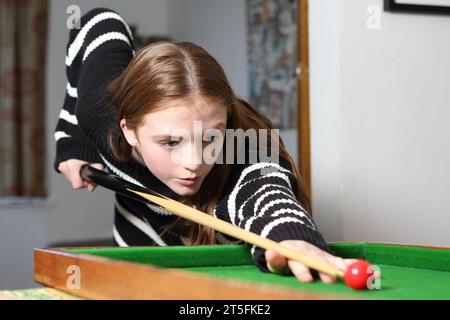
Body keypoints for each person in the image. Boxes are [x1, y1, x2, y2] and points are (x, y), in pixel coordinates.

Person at [55, 7, 353, 284]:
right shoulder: (100, 117)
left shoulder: (243, 147)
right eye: (170, 142)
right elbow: (94, 23)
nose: (195, 162)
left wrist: (289, 234)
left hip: (219, 279)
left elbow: (263, 188)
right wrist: (73, 140)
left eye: (211, 137)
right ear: (129, 131)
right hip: (140, 246)